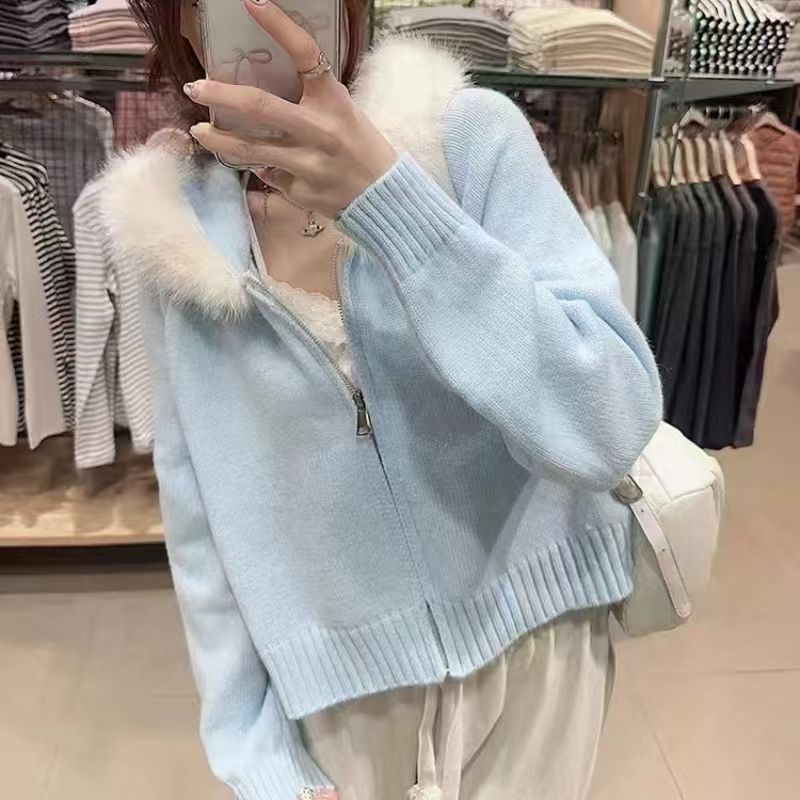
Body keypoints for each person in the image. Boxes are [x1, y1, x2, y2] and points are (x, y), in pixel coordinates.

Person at [108, 1, 664, 798]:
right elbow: (197, 510)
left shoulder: (468, 137)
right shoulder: (168, 235)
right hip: (345, 706)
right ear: (185, 24)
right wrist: (250, 747)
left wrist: (396, 206)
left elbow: (607, 425)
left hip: (541, 654)